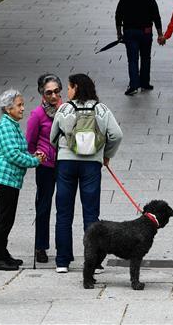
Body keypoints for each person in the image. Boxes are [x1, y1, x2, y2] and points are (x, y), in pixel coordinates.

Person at [50, 74, 123, 273]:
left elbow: (53, 137)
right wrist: (106, 155)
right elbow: (116, 135)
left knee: (63, 212)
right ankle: (94, 262)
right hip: (91, 164)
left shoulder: (64, 109)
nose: (67, 91)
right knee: (91, 213)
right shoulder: (101, 109)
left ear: (75, 88)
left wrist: (64, 149)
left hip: (66, 164)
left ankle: (62, 261)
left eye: (69, 87)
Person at [0, 89, 43, 271]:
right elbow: (13, 155)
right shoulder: (6, 126)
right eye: (19, 105)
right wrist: (35, 161)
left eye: (22, 104)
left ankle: (2, 253)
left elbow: (19, 151)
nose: (23, 108)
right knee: (4, 219)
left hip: (11, 180)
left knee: (8, 218)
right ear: (8, 108)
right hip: (5, 180)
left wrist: (32, 155)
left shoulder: (11, 124)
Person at [25, 74, 62, 264]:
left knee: (63, 205)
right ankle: (41, 246)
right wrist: (38, 155)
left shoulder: (65, 110)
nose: (54, 96)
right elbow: (29, 142)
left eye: (57, 91)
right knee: (44, 205)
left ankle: (63, 247)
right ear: (42, 93)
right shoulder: (37, 114)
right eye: (49, 93)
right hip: (46, 166)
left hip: (64, 163)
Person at [115, 0, 164, 96]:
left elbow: (118, 16)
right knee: (146, 58)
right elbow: (156, 17)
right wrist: (160, 34)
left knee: (132, 59)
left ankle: (134, 85)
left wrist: (119, 32)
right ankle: (145, 83)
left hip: (130, 32)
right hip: (146, 33)